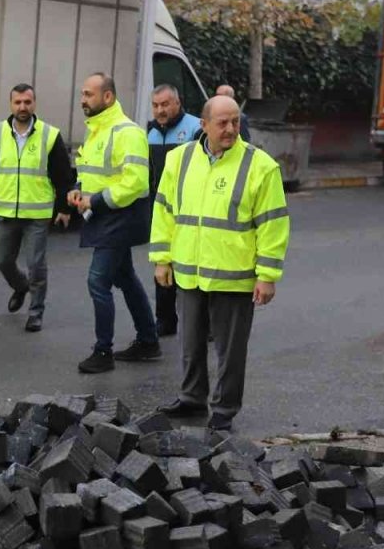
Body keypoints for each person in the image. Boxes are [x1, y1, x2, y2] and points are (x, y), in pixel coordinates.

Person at [150, 94, 290, 432]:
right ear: (204, 125)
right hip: (188, 270)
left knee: (230, 350)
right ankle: (191, 398)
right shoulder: (179, 160)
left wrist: (267, 276)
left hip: (234, 275)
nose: (230, 129)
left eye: (235, 122)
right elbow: (165, 210)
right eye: (222, 123)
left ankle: (224, 409)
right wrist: (161, 259)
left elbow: (273, 224)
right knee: (190, 342)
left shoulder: (261, 166)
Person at [69, 73, 160, 375]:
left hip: (120, 217)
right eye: (83, 94)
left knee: (98, 281)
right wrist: (78, 188)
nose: (83, 99)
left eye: (88, 94)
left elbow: (135, 182)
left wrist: (93, 201)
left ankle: (103, 351)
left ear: (107, 97)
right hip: (105, 215)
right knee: (125, 277)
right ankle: (148, 340)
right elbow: (90, 170)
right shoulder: (96, 129)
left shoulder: (128, 132)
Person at [0, 83, 74, 333]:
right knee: (2, 261)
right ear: (11, 104)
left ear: (34, 104)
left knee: (36, 264)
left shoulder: (49, 135)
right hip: (5, 211)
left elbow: (63, 176)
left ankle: (36, 311)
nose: (22, 107)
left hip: (37, 214)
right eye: (18, 102)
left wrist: (64, 209)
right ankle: (21, 286)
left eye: (27, 102)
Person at [145, 84, 203, 337]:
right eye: (156, 105)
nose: (160, 110)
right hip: (164, 208)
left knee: (194, 266)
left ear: (177, 104)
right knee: (163, 261)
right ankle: (165, 320)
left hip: (192, 208)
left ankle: (205, 322)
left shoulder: (195, 128)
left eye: (165, 104)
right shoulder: (151, 132)